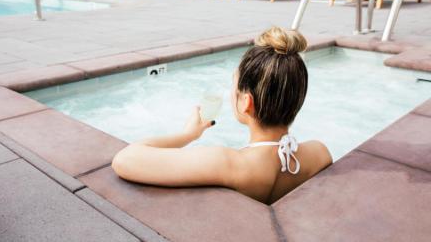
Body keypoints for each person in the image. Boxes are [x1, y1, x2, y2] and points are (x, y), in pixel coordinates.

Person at [112, 27, 332, 204]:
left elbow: (125, 159)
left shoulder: (229, 164)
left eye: (233, 86)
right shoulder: (319, 154)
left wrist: (187, 136)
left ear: (246, 103)